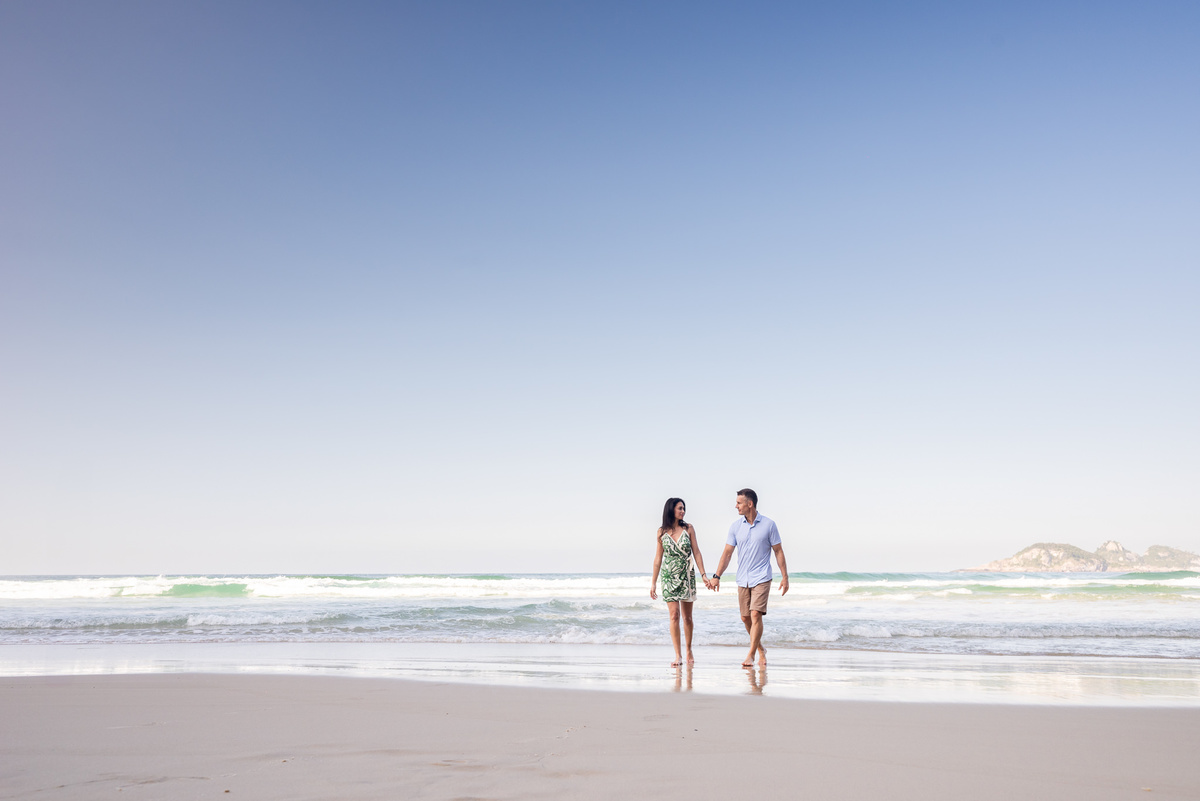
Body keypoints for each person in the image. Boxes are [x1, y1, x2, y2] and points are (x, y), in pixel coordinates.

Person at [709, 488, 789, 667]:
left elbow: (778, 551)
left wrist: (785, 576)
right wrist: (717, 576)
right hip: (742, 578)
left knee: (755, 614)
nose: (735, 506)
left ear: (749, 504)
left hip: (762, 576)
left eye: (739, 503)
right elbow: (727, 553)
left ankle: (751, 655)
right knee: (745, 618)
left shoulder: (769, 525)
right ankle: (760, 648)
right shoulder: (735, 527)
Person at [650, 497, 713, 666]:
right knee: (674, 616)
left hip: (687, 575)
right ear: (671, 509)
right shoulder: (661, 532)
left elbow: (697, 552)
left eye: (683, 508)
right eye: (680, 508)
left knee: (687, 618)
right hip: (669, 577)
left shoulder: (689, 528)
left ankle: (689, 649)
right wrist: (653, 582)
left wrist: (704, 574)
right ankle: (677, 654)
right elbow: (658, 559)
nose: (683, 511)